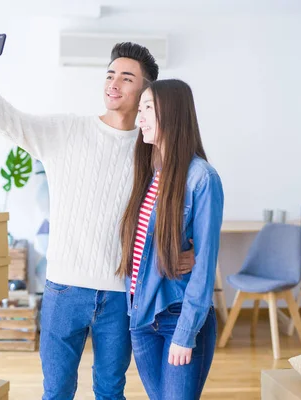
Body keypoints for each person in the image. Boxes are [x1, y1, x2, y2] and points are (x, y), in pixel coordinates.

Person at [0, 33, 194, 400]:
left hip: (121, 296)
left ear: (146, 94)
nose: (113, 83)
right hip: (64, 289)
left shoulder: (151, 150)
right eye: (110, 74)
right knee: (56, 392)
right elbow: (5, 119)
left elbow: (179, 207)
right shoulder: (65, 131)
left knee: (109, 390)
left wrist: (193, 247)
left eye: (126, 78)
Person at [117, 79, 224, 400]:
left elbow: (204, 266)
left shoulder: (202, 178)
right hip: (141, 318)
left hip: (178, 317)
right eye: (140, 109)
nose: (140, 119)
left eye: (148, 108)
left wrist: (186, 333)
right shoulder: (147, 174)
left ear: (173, 114)